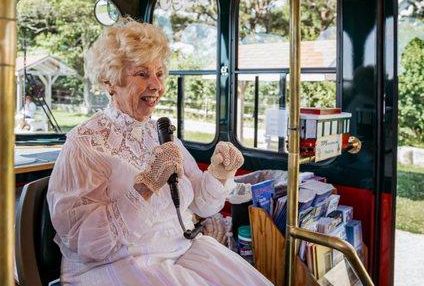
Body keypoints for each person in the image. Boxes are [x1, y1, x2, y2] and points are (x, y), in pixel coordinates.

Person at [47, 19, 272, 285]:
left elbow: (202, 204)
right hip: (119, 264)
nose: (156, 85)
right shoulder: (85, 144)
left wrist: (218, 174)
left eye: (160, 74)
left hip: (181, 251)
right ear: (110, 81)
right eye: (142, 74)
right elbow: (87, 244)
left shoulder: (161, 134)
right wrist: (145, 187)